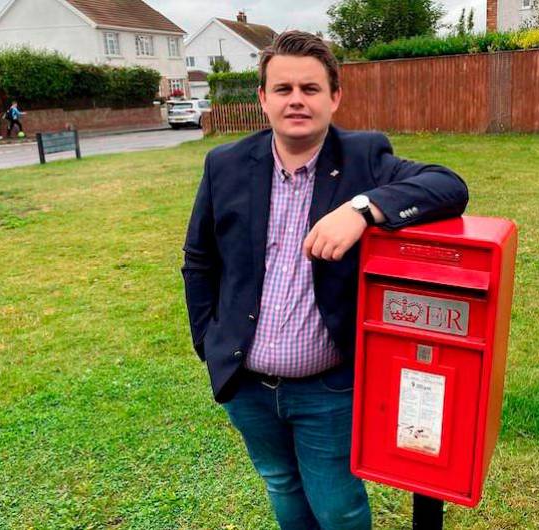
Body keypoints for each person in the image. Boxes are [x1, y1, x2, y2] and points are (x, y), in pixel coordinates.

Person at [181, 31, 468, 530]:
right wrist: (208, 341)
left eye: (311, 89)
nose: (297, 100)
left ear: (334, 97)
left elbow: (449, 186)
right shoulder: (225, 164)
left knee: (337, 506)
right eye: (284, 88)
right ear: (263, 99)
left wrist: (364, 209)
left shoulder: (364, 157)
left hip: (328, 388)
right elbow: (199, 261)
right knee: (281, 485)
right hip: (246, 382)